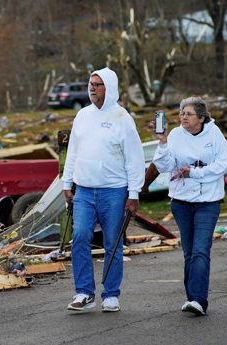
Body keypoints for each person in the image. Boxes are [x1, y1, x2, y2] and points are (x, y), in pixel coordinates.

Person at [62, 67, 145, 312]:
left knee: (113, 243)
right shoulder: (82, 116)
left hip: (114, 191)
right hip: (84, 191)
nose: (92, 88)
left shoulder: (122, 118)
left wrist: (134, 193)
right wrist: (67, 183)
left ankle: (111, 294)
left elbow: (134, 158)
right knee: (79, 237)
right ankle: (84, 293)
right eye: (90, 84)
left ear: (109, 88)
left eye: (97, 84)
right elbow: (72, 152)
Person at [149, 96, 227, 316]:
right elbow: (165, 165)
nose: (183, 117)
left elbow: (222, 164)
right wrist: (163, 141)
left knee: (201, 251)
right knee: (189, 253)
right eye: (181, 113)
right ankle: (191, 298)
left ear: (202, 118)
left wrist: (194, 172)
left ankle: (199, 300)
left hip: (208, 201)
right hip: (182, 202)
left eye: (189, 113)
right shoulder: (175, 135)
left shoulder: (214, 134)